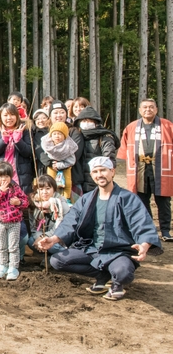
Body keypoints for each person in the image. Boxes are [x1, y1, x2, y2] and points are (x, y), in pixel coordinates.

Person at [39, 157, 163, 301]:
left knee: (123, 273)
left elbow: (141, 223)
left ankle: (117, 284)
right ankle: (102, 275)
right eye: (95, 171)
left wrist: (144, 245)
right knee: (57, 261)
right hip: (92, 248)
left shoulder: (128, 198)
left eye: (103, 170)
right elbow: (70, 222)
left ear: (112, 172)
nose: (100, 175)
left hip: (118, 251)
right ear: (92, 175)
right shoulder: (86, 199)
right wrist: (53, 239)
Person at [117, 99, 172, 242]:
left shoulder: (167, 125)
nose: (148, 110)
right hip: (139, 168)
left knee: (163, 200)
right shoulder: (132, 127)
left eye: (151, 107)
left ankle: (165, 230)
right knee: (141, 199)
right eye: (145, 107)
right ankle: (149, 230)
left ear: (156, 109)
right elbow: (124, 147)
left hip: (160, 167)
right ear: (140, 110)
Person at [0, 161, 29, 281]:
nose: (3, 179)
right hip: (0, 222)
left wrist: (19, 202)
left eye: (6, 176)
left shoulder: (15, 187)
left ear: (11, 176)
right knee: (1, 246)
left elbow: (25, 201)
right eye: (0, 176)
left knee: (13, 246)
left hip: (15, 222)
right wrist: (1, 191)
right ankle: (3, 266)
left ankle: (13, 267)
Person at [0, 103, 34, 194]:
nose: (9, 118)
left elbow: (29, 152)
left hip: (20, 172)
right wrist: (3, 140)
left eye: (12, 115)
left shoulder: (25, 129)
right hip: (2, 172)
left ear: (17, 116)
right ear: (0, 117)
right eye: (5, 115)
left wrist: (18, 140)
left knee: (19, 200)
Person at [74, 106, 119, 194]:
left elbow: (109, 160)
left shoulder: (104, 137)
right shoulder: (77, 136)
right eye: (83, 121)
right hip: (79, 182)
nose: (86, 123)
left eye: (89, 120)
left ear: (96, 122)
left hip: (97, 181)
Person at [27, 175, 70, 256]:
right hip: (43, 237)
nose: (44, 192)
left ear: (54, 189)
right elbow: (33, 228)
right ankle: (47, 257)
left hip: (58, 239)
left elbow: (60, 228)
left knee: (53, 247)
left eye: (48, 188)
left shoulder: (61, 204)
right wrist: (39, 237)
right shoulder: (34, 204)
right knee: (31, 241)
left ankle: (58, 258)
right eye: (41, 189)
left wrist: (45, 236)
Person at [40, 122, 79, 200]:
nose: (57, 136)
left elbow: (71, 161)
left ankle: (66, 198)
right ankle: (52, 198)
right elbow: (44, 155)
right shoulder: (47, 144)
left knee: (68, 183)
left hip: (66, 166)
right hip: (51, 167)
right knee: (50, 183)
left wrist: (59, 165)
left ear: (65, 136)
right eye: (54, 134)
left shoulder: (68, 146)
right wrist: (51, 164)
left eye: (60, 134)